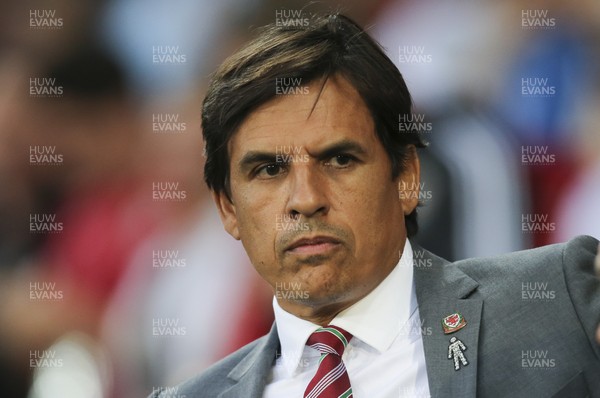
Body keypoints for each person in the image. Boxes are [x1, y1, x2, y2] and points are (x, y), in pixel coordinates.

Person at [151, 14, 600, 398]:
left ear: (407, 177)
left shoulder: (562, 300)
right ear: (228, 208)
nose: (306, 200)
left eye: (340, 159)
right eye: (269, 170)